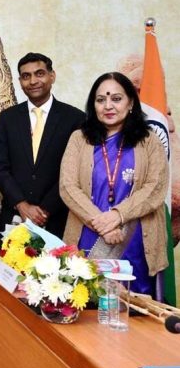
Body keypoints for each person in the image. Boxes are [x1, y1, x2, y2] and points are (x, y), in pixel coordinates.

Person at [60, 72, 168, 298]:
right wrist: (103, 225)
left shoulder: (149, 140)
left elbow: (155, 187)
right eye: (101, 100)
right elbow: (68, 187)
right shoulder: (79, 139)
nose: (108, 106)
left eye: (116, 99)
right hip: (88, 234)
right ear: (93, 105)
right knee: (86, 302)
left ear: (131, 103)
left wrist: (118, 215)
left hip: (135, 240)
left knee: (135, 309)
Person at [0, 53, 85, 237]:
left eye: (39, 73)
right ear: (20, 82)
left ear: (52, 76)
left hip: (58, 218)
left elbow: (75, 171)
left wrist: (45, 210)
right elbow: (0, 167)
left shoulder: (75, 118)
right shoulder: (8, 118)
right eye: (26, 76)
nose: (33, 81)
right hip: (15, 217)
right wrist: (21, 204)